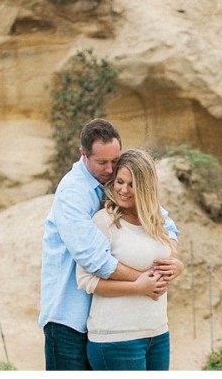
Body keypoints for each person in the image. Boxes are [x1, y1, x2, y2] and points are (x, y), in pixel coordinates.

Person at [38, 119, 184, 370]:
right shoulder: (74, 192)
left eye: (115, 161)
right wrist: (143, 281)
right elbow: (94, 259)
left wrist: (175, 260)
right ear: (84, 155)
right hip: (68, 317)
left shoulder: (113, 183)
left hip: (100, 317)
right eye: (102, 162)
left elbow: (163, 220)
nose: (109, 169)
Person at [76, 148, 176, 370]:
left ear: (146, 187)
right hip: (116, 338)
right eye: (120, 181)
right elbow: (86, 281)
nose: (123, 190)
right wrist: (138, 287)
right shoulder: (104, 222)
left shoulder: (157, 220)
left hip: (158, 333)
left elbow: (169, 254)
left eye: (132, 184)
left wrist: (176, 266)